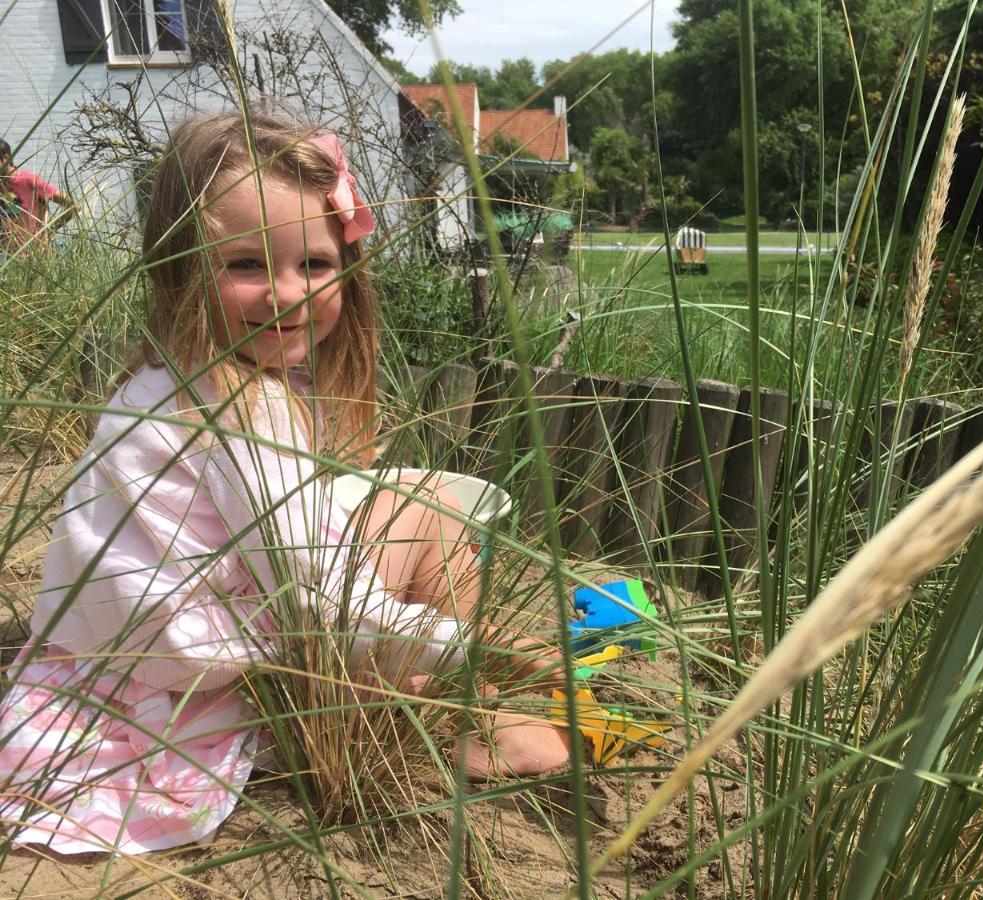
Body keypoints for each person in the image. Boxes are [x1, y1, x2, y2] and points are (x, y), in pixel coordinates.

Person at [0, 111, 569, 856]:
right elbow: (315, 601)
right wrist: (469, 644)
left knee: (412, 507)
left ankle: (442, 685)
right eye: (244, 264)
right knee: (443, 541)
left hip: (131, 654)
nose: (286, 293)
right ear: (180, 266)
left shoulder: (166, 380)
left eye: (317, 265)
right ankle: (448, 703)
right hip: (196, 684)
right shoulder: (239, 407)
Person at [0, 139, 75, 249]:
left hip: (33, 256)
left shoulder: (29, 181)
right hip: (6, 258)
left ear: (6, 158)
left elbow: (72, 206)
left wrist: (50, 229)